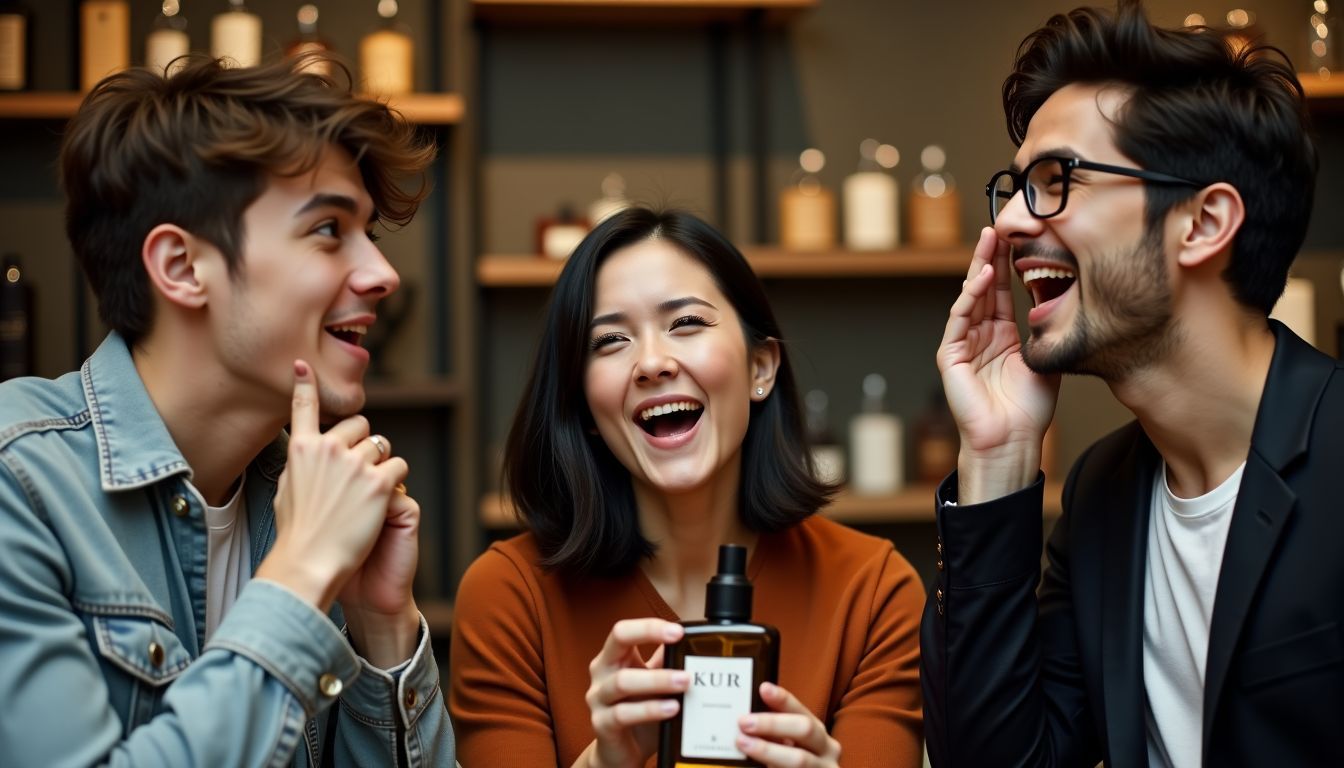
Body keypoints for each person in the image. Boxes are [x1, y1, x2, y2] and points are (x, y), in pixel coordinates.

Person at [0, 55, 456, 765]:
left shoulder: (309, 502)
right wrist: (301, 574)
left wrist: (381, 626)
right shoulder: (20, 483)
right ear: (182, 268)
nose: (383, 273)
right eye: (330, 230)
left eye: (372, 235)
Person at [922, 2, 1339, 767]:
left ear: (1204, 222)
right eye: (1015, 187)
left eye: (1057, 180)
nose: (1010, 221)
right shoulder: (1102, 495)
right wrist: (997, 454)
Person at [450, 207, 924, 767]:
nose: (651, 362)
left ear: (760, 368)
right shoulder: (508, 596)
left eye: (686, 324)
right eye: (610, 340)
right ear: (582, 403)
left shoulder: (873, 593)